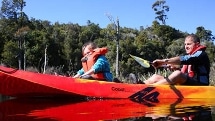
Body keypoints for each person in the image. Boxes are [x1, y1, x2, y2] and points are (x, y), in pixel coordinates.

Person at [144, 34, 210, 85]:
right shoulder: (191, 55)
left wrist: (163, 61)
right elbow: (187, 73)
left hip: (200, 84)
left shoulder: (201, 54)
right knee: (155, 77)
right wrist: (175, 68)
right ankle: (140, 85)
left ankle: (150, 88)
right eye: (185, 44)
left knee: (178, 74)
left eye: (189, 44)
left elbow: (185, 59)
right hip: (189, 82)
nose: (186, 47)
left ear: (197, 45)